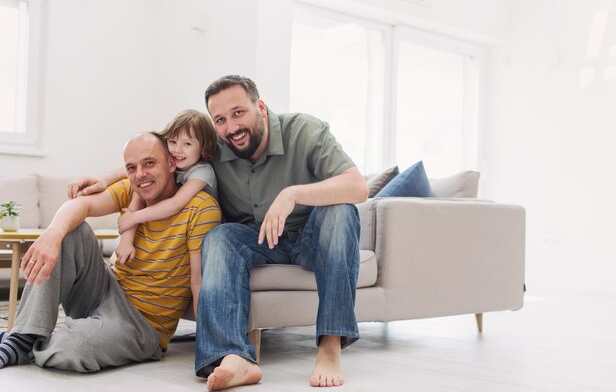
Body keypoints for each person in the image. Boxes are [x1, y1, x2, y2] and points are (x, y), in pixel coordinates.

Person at [195, 75, 368, 390]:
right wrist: (110, 182)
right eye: (220, 119)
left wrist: (291, 194)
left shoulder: (304, 130)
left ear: (260, 107)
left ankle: (330, 345)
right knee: (219, 238)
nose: (231, 127)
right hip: (259, 242)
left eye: (238, 113)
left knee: (341, 210)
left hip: (311, 240)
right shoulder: (216, 149)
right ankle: (232, 356)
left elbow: (357, 186)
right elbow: (168, 157)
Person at [0, 132, 221, 372]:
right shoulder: (132, 188)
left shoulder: (201, 209)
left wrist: (209, 345)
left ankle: (41, 342)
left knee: (75, 347)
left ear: (171, 163)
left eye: (149, 163)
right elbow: (80, 205)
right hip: (103, 289)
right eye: (131, 168)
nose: (140, 175)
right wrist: (52, 233)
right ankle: (22, 339)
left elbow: (199, 282)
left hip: (142, 325)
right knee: (68, 230)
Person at [69, 109, 218, 267]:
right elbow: (130, 171)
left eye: (187, 144)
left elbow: (176, 204)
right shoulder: (177, 160)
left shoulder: (203, 172)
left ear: (203, 148)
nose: (177, 149)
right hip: (169, 222)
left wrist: (133, 218)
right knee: (140, 189)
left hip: (200, 226)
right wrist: (104, 180)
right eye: (173, 141)